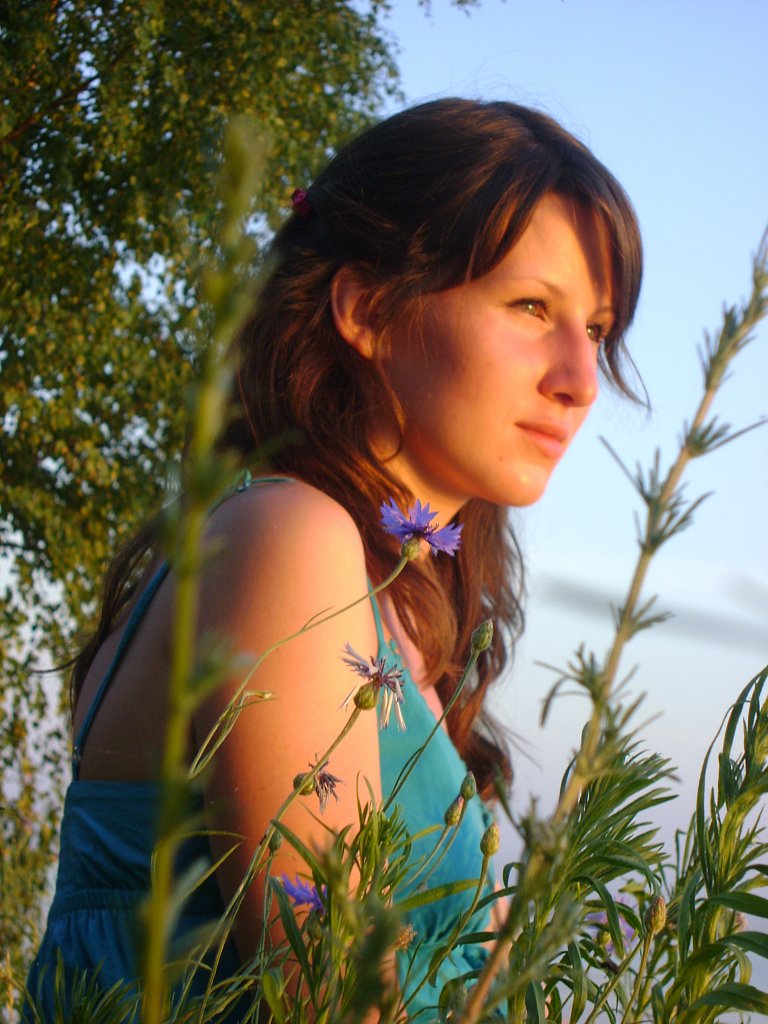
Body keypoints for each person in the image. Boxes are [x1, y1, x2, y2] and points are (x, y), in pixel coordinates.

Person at [25, 97, 642, 1022]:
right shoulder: (288, 537)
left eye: (594, 329)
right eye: (530, 307)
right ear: (367, 309)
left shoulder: (372, 594)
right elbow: (335, 996)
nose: (581, 381)